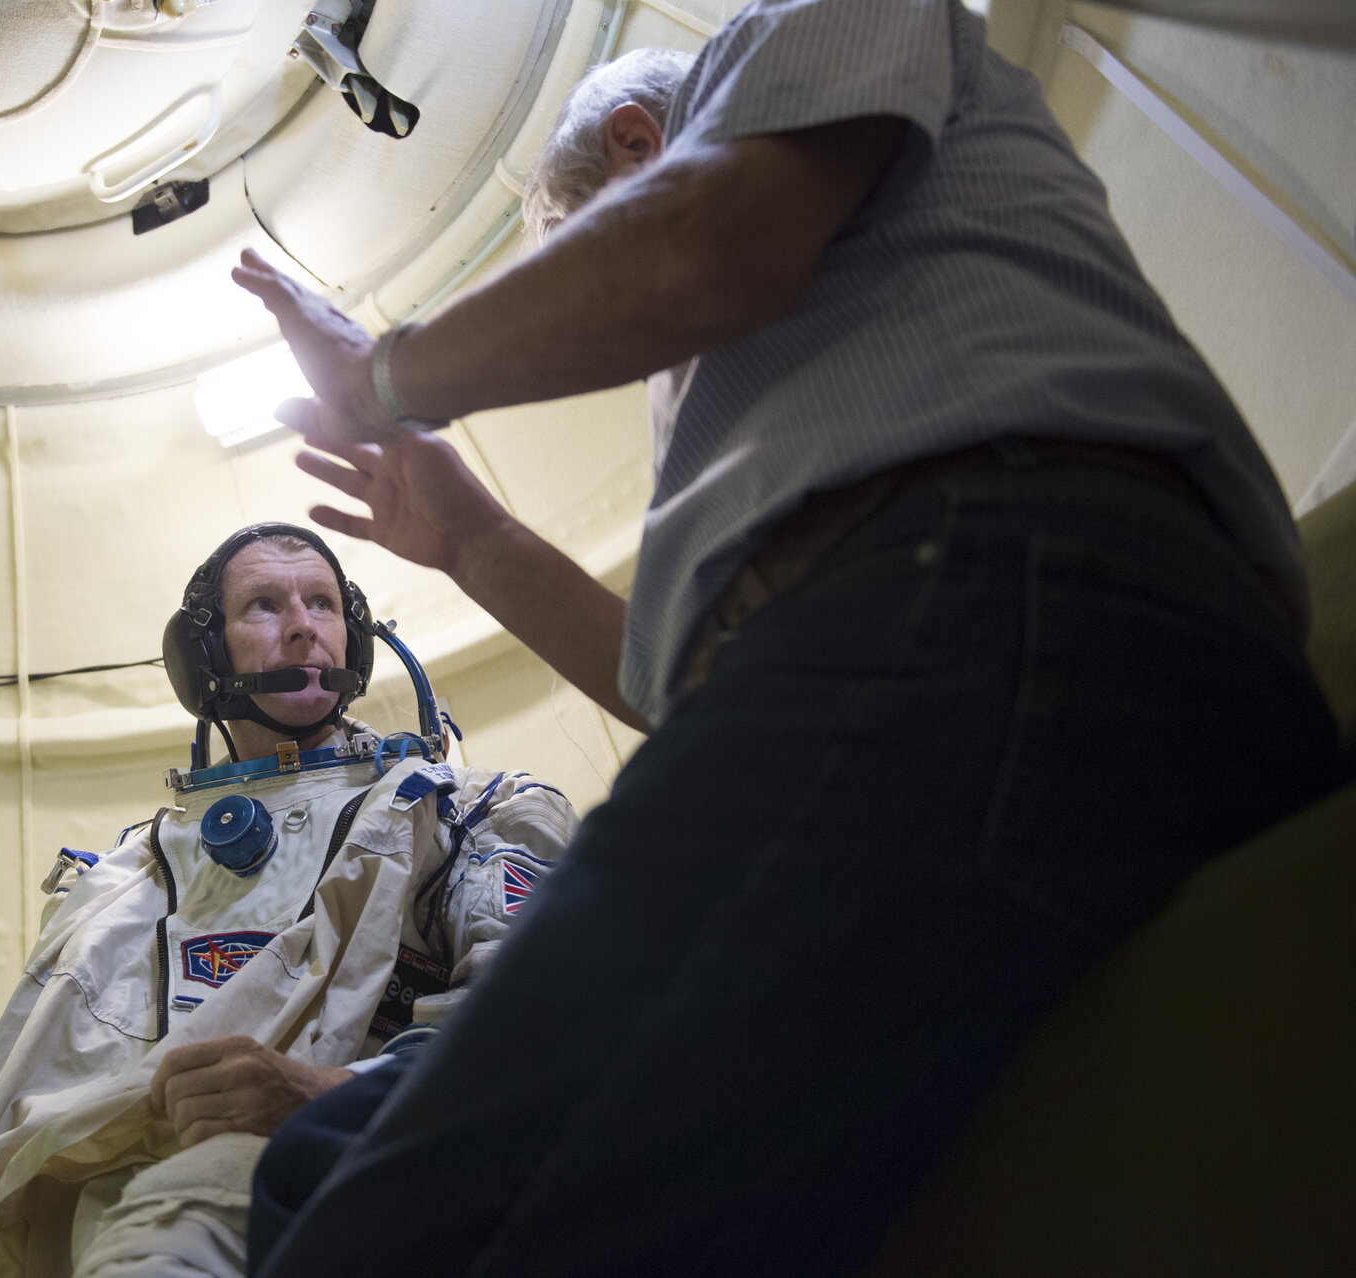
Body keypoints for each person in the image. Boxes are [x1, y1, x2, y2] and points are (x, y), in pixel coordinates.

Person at [230, 3, 1345, 1275]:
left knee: (386, 1240)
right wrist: (476, 540)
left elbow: (693, 255)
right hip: (926, 667)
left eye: (584, 242)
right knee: (321, 1167)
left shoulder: (804, 28)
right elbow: (677, 693)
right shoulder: (753, 432)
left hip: (998, 594)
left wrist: (379, 375)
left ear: (641, 145)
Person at [0, 523, 573, 1278]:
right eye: (264, 605)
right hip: (92, 1236)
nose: (302, 626)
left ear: (353, 639)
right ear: (203, 657)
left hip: (344, 1187)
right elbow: (26, 1085)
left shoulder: (461, 810)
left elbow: (538, 1027)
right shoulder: (124, 875)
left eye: (323, 605)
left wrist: (326, 1095)